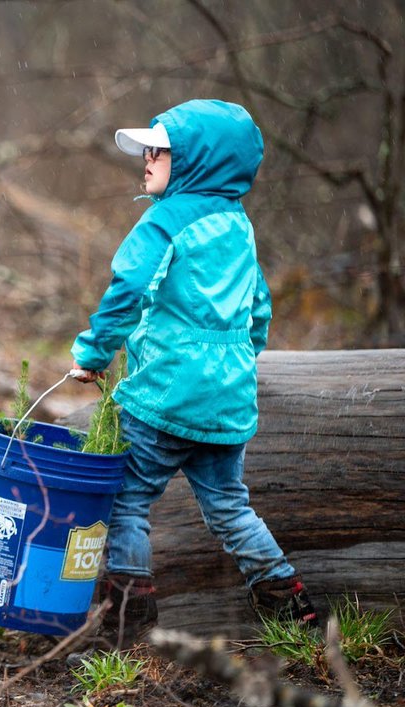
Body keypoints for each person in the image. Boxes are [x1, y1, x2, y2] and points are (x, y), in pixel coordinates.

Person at [70, 99, 319, 651]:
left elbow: (127, 290)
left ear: (195, 161)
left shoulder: (164, 221)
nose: (147, 159)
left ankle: (128, 620)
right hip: (227, 401)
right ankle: (290, 602)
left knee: (127, 500)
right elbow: (258, 306)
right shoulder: (237, 225)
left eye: (158, 149)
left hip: (164, 393)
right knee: (231, 508)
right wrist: (237, 362)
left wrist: (93, 354)